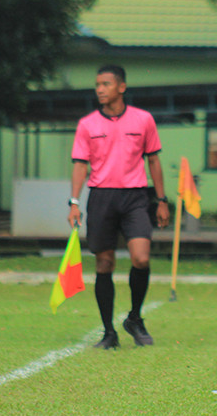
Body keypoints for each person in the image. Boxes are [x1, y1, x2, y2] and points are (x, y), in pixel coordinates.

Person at [67, 65, 171, 349]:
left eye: (106, 84)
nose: (100, 89)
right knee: (104, 263)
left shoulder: (143, 120)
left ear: (121, 87)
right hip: (101, 197)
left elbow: (154, 161)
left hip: (136, 198)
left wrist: (162, 200)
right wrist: (74, 202)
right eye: (97, 84)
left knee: (141, 258)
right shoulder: (87, 124)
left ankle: (135, 318)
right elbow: (80, 165)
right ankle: (108, 333)